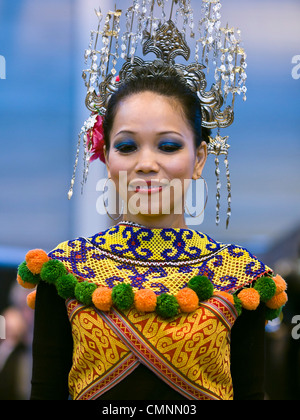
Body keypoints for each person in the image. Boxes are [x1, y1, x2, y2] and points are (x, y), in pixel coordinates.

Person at [16, 2, 288, 401]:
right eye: (127, 146)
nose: (146, 163)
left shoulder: (239, 277)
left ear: (198, 159)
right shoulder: (65, 270)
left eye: (168, 146)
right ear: (106, 158)